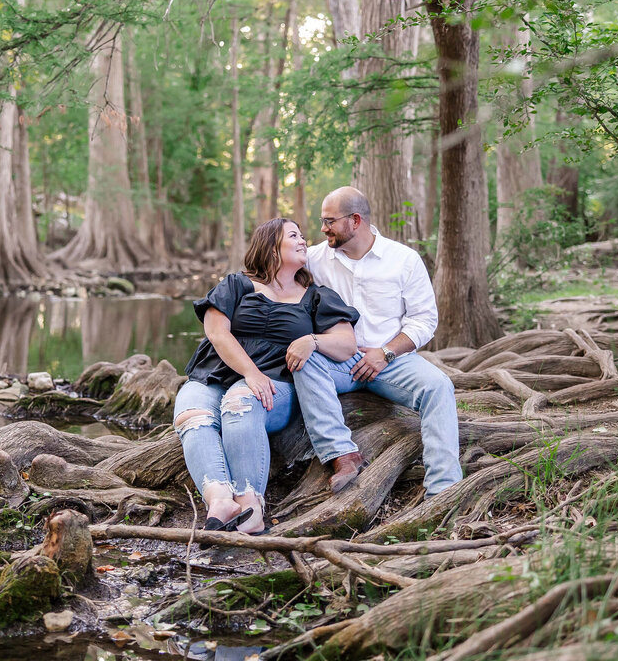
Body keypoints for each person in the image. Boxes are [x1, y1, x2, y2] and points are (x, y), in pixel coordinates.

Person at [173, 218, 360, 535]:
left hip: (278, 382)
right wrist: (250, 372)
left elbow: (346, 344)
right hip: (216, 374)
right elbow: (217, 333)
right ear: (271, 244)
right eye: (293, 235)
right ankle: (219, 501)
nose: (303, 240)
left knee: (241, 402)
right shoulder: (237, 284)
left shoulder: (316, 296)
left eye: (303, 236)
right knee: (192, 415)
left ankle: (251, 508)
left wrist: (312, 341)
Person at [293, 186, 462, 497]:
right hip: (337, 361)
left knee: (438, 386)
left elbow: (424, 320)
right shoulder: (314, 259)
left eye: (330, 221)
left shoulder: (404, 260)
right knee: (305, 360)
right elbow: (274, 275)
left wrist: (385, 353)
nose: (322, 228)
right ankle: (343, 454)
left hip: (392, 361)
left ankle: (443, 489)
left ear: (355, 220)